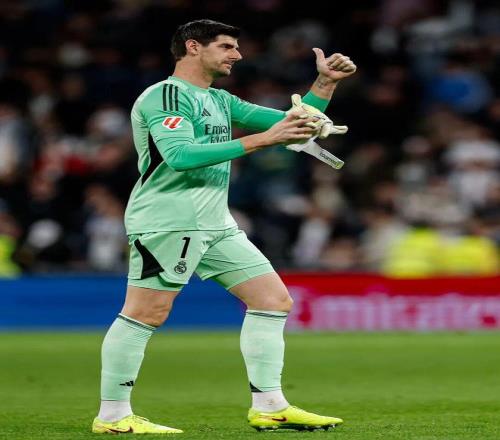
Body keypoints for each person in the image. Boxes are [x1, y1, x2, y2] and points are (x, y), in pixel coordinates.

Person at [92, 19, 356, 434]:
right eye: (227, 46)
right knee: (146, 312)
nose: (237, 54)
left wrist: (324, 84)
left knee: (272, 300)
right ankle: (112, 416)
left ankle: (270, 406)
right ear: (193, 47)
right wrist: (263, 139)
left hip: (215, 223)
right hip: (169, 220)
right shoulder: (165, 95)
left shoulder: (219, 99)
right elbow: (180, 156)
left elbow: (294, 125)